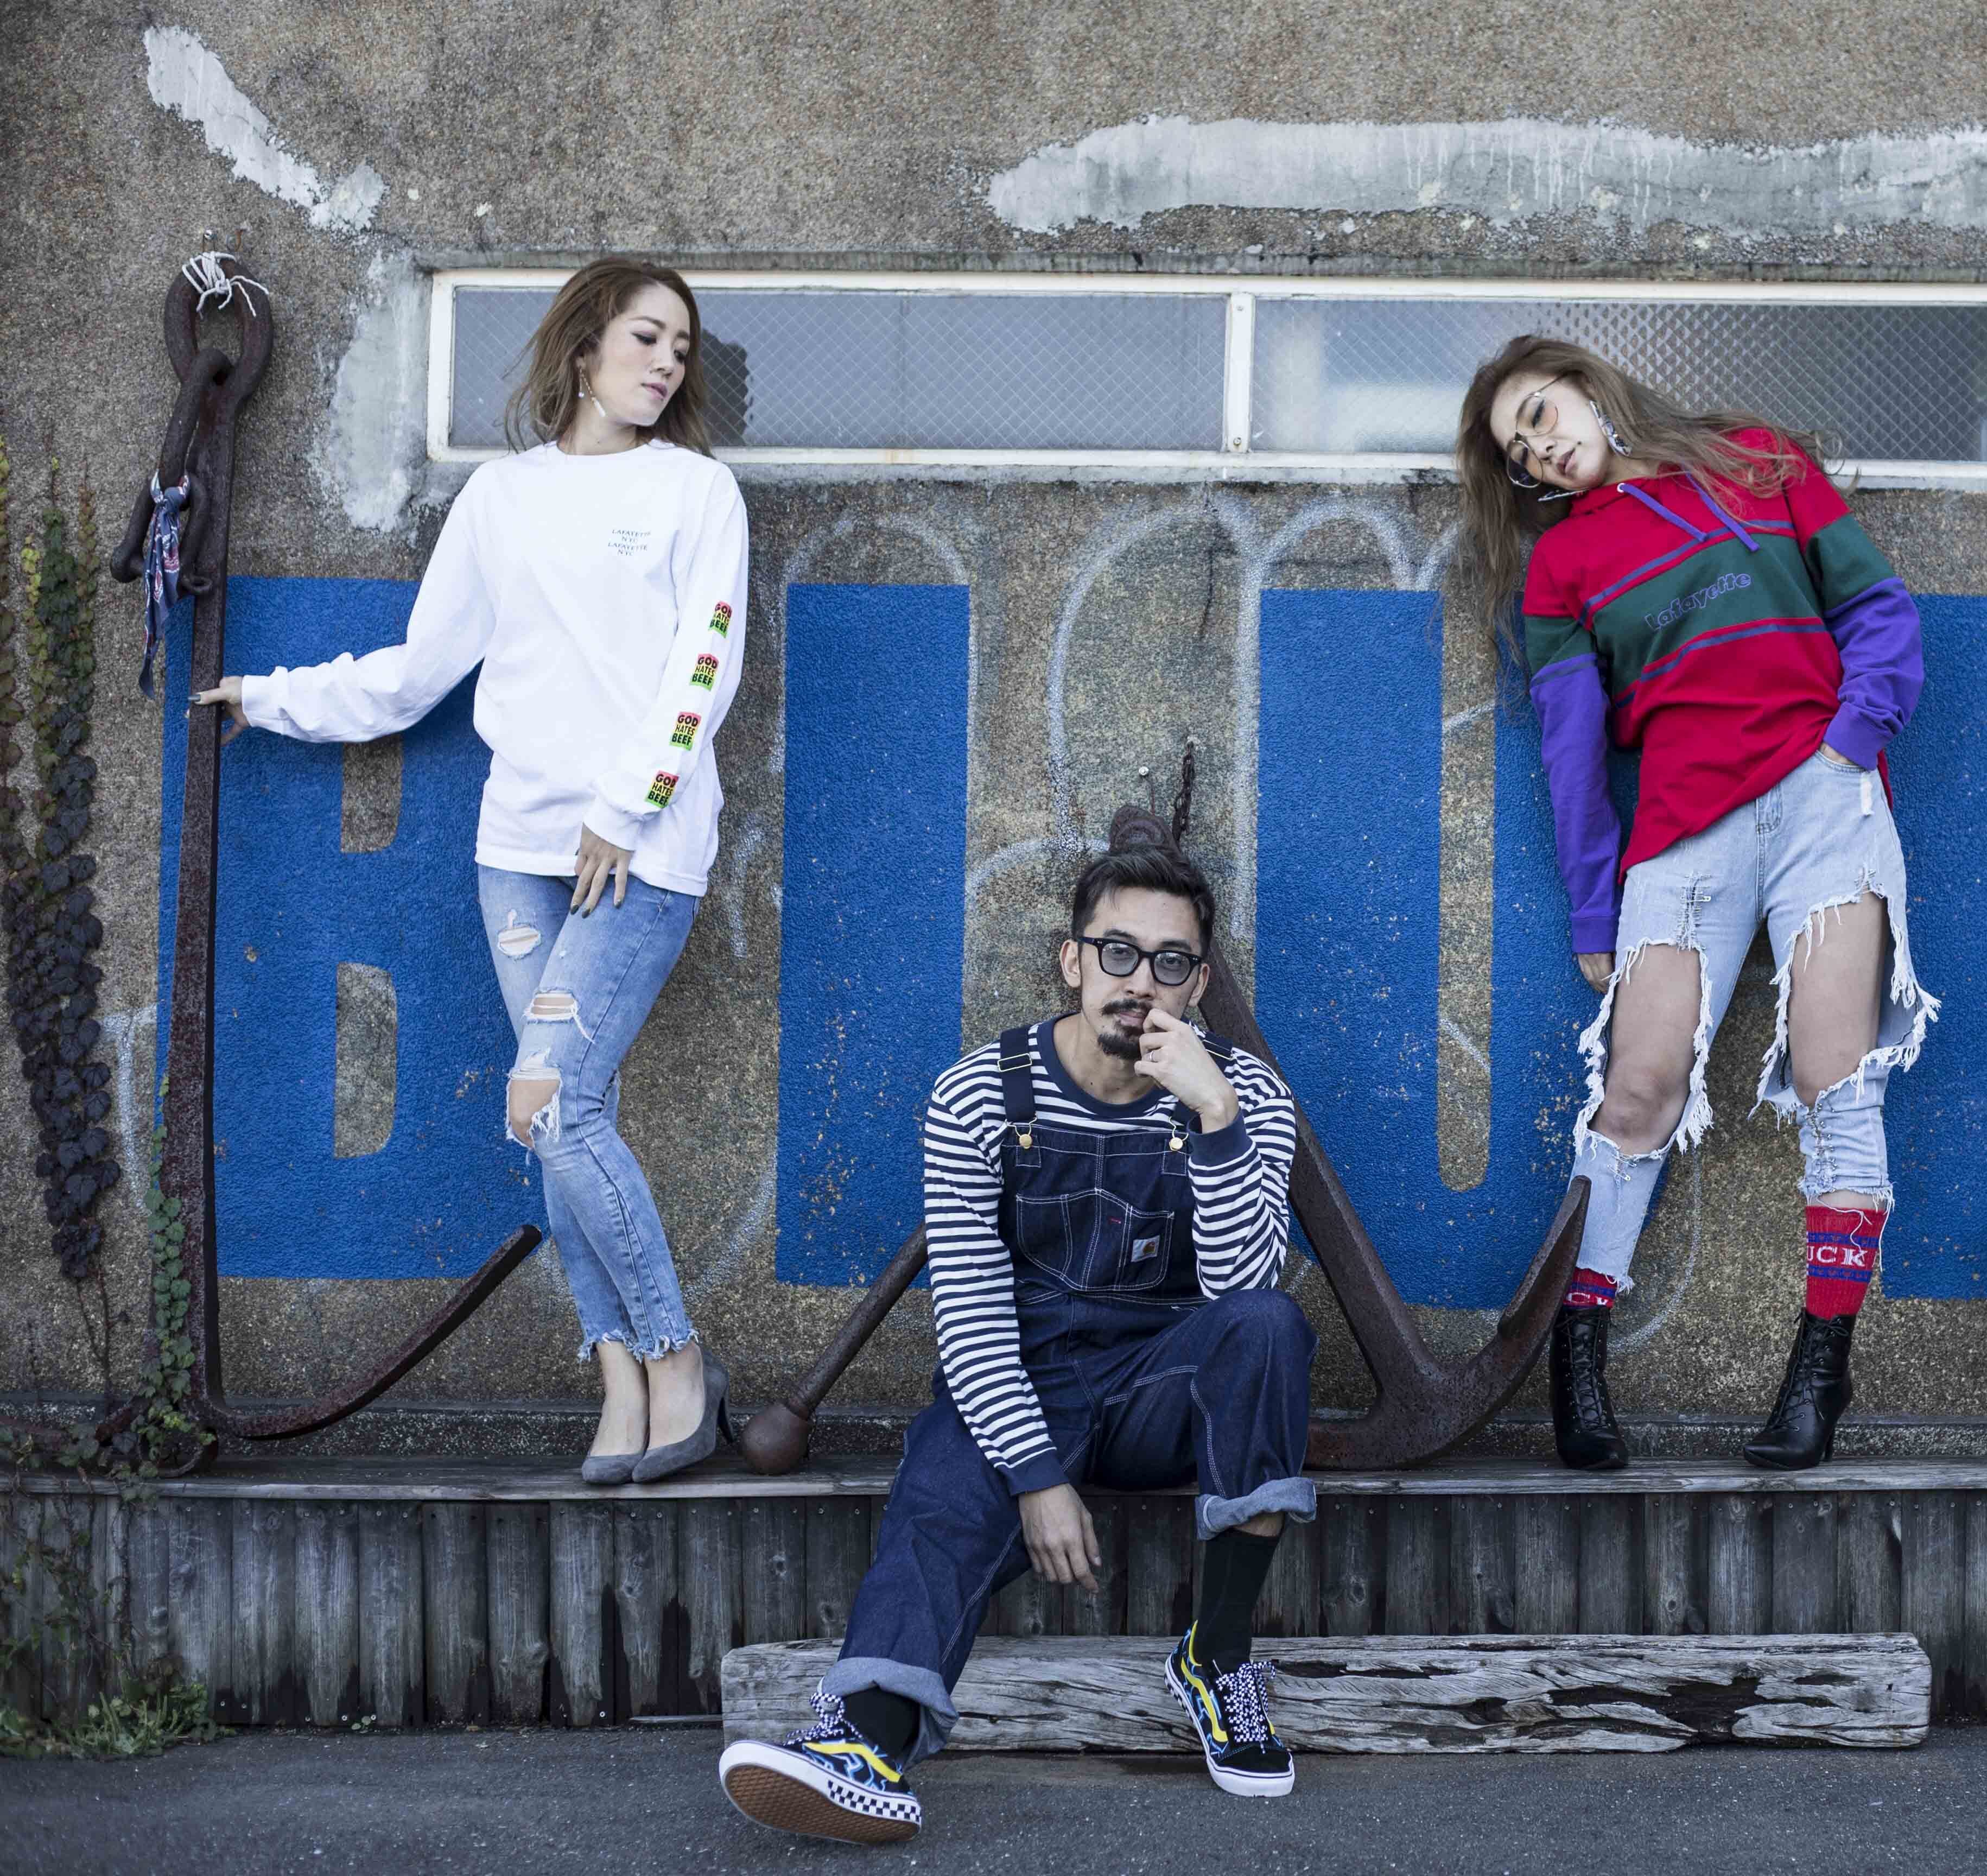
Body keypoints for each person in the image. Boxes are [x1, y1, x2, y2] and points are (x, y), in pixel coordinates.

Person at [194, 258, 747, 1486]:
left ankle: (678, 1360)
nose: (668, 362)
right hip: (518, 859)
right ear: (586, 346)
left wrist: (625, 809)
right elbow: (416, 669)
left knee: (555, 1103)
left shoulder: (695, 492)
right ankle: (618, 1376)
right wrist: (271, 700)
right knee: (549, 1122)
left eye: (682, 347)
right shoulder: (502, 499)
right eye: (647, 337)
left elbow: (704, 668)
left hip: (638, 853)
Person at [719, 822, 1311, 1842]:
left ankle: (1217, 1662)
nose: (1141, 983)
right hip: (1024, 1378)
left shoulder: (1248, 1096)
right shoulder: (980, 1093)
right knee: (947, 1490)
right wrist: (1036, 1477)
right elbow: (971, 1316)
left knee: (1270, 1328)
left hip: (1163, 1391)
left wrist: (1215, 1119)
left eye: (1171, 963)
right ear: (1072, 961)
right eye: (1118, 952)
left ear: (1200, 983)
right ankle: (863, 1745)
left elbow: (1240, 1291)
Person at [1451, 336, 1933, 1474]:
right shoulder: (1560, 569)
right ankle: (1577, 1359)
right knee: (1637, 1092)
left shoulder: (1754, 461)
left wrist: (1851, 740)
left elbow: (1879, 608)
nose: (1538, 448)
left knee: (1837, 1081)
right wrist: (1592, 909)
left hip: (1825, 801)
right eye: (1518, 451)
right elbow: (1571, 754)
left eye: (1538, 413)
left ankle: (1820, 1370)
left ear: (1583, 386)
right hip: (1683, 831)